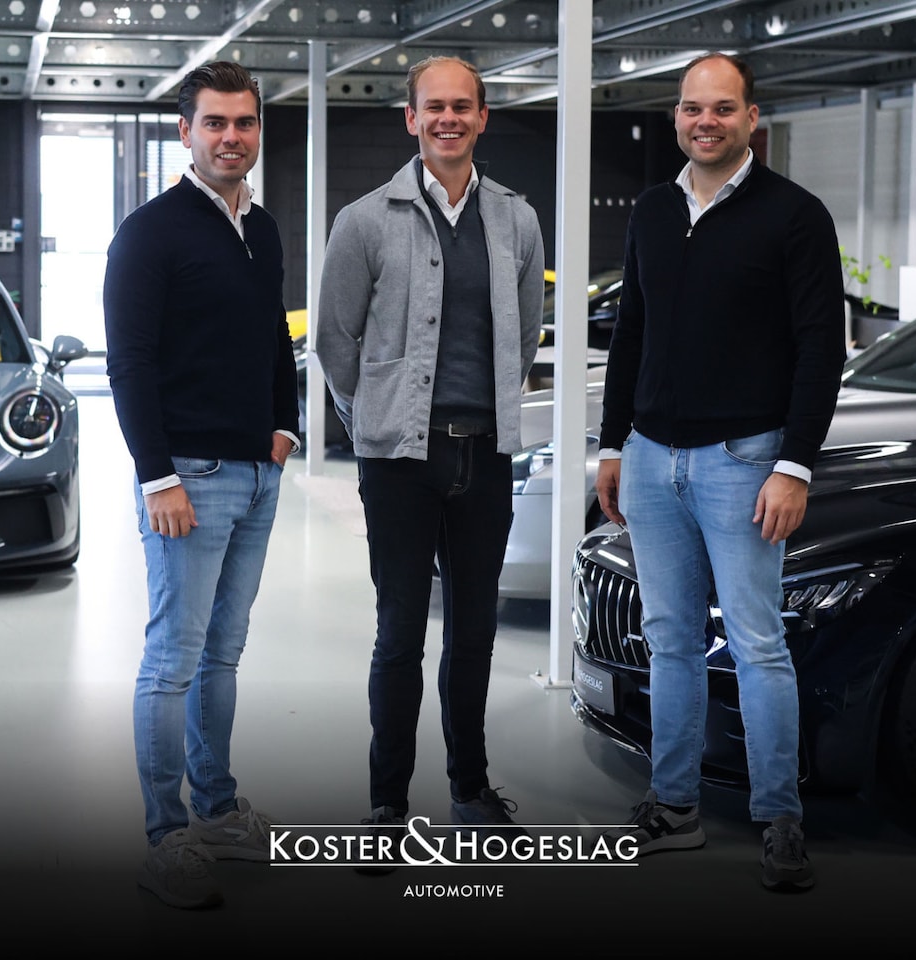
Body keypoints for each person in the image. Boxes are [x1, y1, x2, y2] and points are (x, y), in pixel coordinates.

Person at [594, 52, 845, 892]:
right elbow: (632, 332)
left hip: (746, 460)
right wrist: (612, 445)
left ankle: (780, 820)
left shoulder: (794, 215)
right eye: (693, 108)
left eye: (723, 108)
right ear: (676, 117)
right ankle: (675, 806)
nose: (706, 121)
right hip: (650, 456)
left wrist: (794, 465)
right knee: (668, 639)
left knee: (756, 643)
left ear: (751, 119)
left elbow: (821, 349)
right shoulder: (653, 210)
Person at [315, 56, 545, 844]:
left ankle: (470, 787)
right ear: (411, 118)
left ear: (482, 118)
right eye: (433, 107)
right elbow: (336, 341)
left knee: (474, 633)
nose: (449, 119)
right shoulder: (364, 221)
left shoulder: (516, 220)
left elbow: (525, 335)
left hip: (486, 454)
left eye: (462, 107)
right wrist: (375, 423)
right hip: (399, 464)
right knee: (400, 635)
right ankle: (387, 802)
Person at [103, 60, 299, 909]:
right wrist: (158, 477)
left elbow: (273, 336)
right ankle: (167, 836)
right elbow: (129, 363)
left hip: (256, 473)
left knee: (224, 651)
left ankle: (216, 810)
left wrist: (284, 427)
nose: (231, 137)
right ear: (185, 132)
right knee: (173, 658)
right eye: (214, 122)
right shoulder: (150, 232)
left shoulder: (262, 228)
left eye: (244, 122)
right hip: (189, 476)